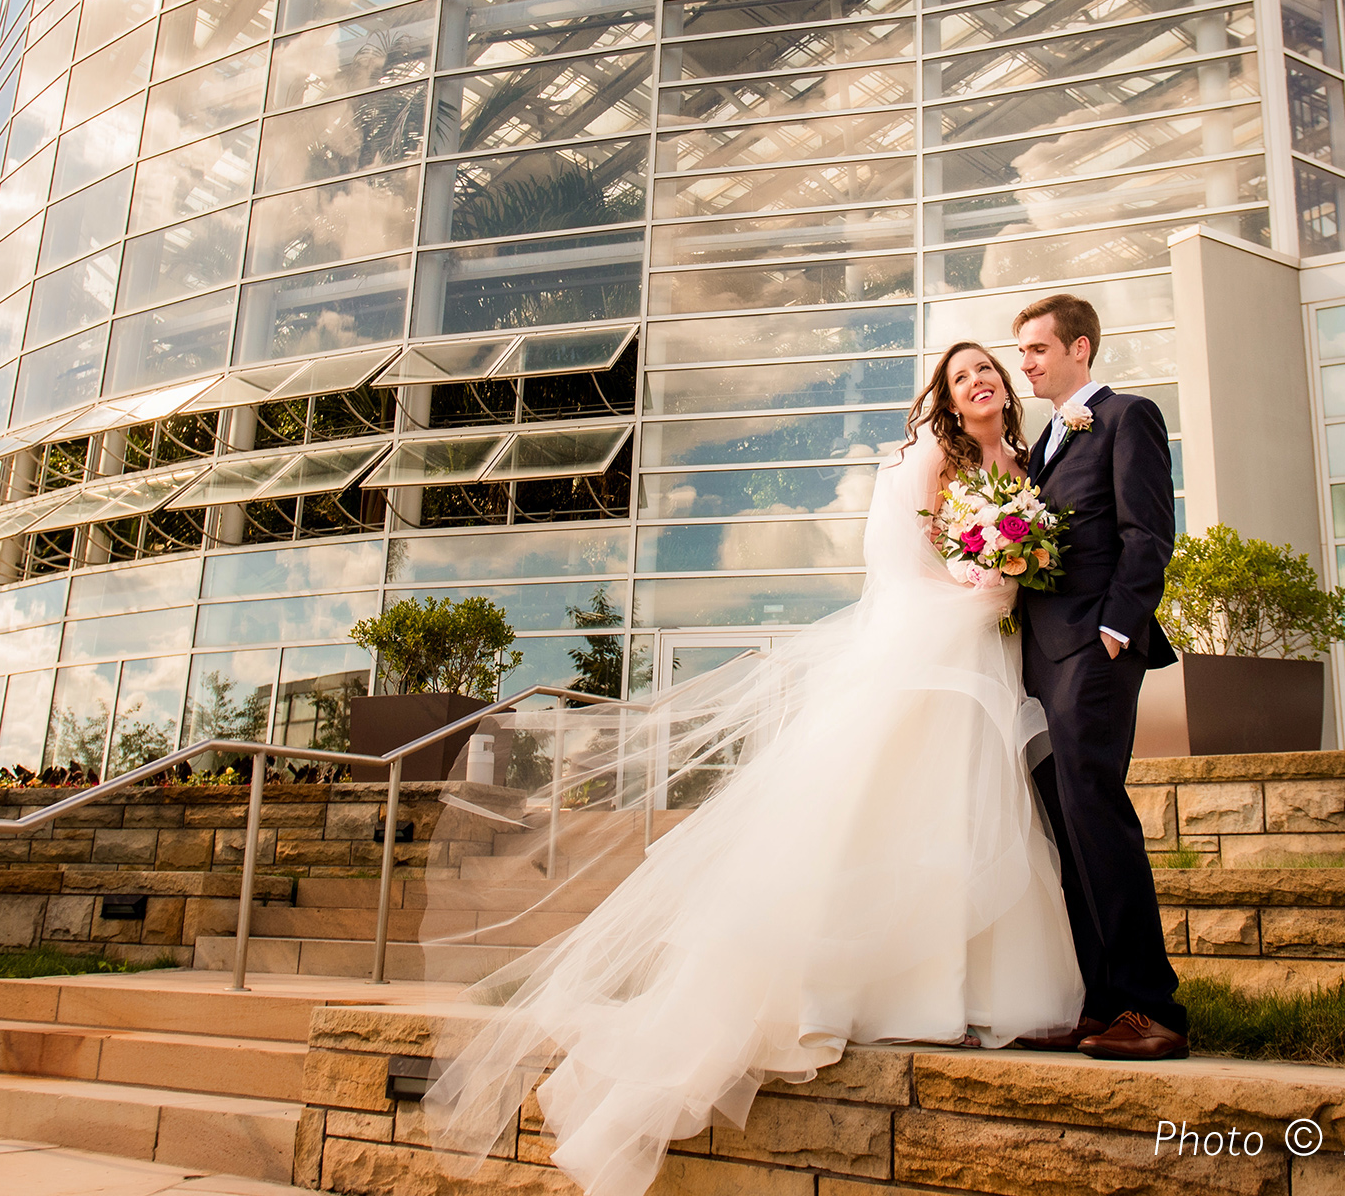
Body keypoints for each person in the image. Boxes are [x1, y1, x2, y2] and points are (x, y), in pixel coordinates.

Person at [424, 342, 1083, 1196]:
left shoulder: (1025, 462)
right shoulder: (930, 457)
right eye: (961, 378)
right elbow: (893, 559)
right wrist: (971, 582)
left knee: (979, 809)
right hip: (934, 645)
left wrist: (1008, 573)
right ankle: (914, 996)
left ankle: (982, 995)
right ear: (947, 401)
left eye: (986, 369)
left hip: (990, 652)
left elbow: (1031, 553)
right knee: (916, 807)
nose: (979, 382)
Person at [1010, 292, 1191, 1061]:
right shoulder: (1042, 441)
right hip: (1039, 658)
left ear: (1080, 350)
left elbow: (1146, 531)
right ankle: (1101, 1001)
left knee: (1095, 806)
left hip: (1093, 648)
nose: (1026, 364)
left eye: (1038, 350)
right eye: (1020, 352)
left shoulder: (1126, 416)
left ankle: (1153, 1008)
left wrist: (1116, 628)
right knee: (1065, 822)